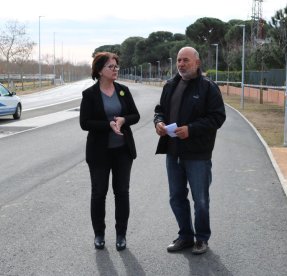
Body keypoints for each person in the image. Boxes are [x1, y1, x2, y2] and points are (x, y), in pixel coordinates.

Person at [154, 46, 226, 255]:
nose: (181, 64)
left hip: (198, 155)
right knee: (176, 197)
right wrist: (158, 122)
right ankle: (185, 236)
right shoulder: (170, 86)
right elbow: (160, 111)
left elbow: (217, 117)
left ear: (197, 63)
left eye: (186, 60)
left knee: (200, 199)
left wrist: (191, 129)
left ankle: (201, 238)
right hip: (173, 152)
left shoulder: (208, 88)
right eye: (178, 60)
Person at [80, 52, 140, 251]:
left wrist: (123, 120)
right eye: (111, 67)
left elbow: (135, 115)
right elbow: (85, 123)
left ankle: (121, 235)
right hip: (99, 153)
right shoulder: (89, 95)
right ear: (99, 71)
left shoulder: (123, 90)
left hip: (123, 151)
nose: (115, 70)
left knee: (122, 192)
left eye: (116, 66)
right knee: (99, 193)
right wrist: (108, 124)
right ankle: (99, 234)